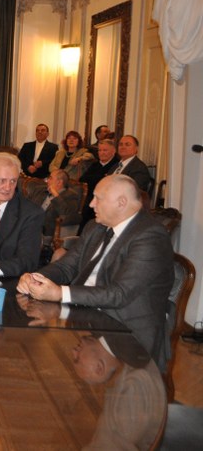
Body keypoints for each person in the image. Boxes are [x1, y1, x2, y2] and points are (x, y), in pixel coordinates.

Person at [16, 175, 174, 366]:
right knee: (27, 336)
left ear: (121, 202)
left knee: (45, 353)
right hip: (85, 315)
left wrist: (59, 293)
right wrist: (36, 277)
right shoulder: (96, 227)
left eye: (98, 198)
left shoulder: (150, 236)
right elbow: (66, 266)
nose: (91, 204)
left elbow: (119, 294)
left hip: (126, 333)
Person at [79, 138, 120, 230]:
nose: (101, 153)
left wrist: (94, 179)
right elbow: (82, 179)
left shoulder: (116, 165)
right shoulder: (95, 164)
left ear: (113, 151)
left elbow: (106, 183)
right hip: (90, 196)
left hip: (105, 199)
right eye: (100, 150)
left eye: (105, 150)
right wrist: (98, 178)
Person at [33, 169, 82, 238]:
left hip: (46, 231)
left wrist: (56, 195)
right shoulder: (42, 190)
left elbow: (67, 214)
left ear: (59, 182)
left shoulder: (71, 196)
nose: (47, 180)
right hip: (32, 224)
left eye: (50, 178)